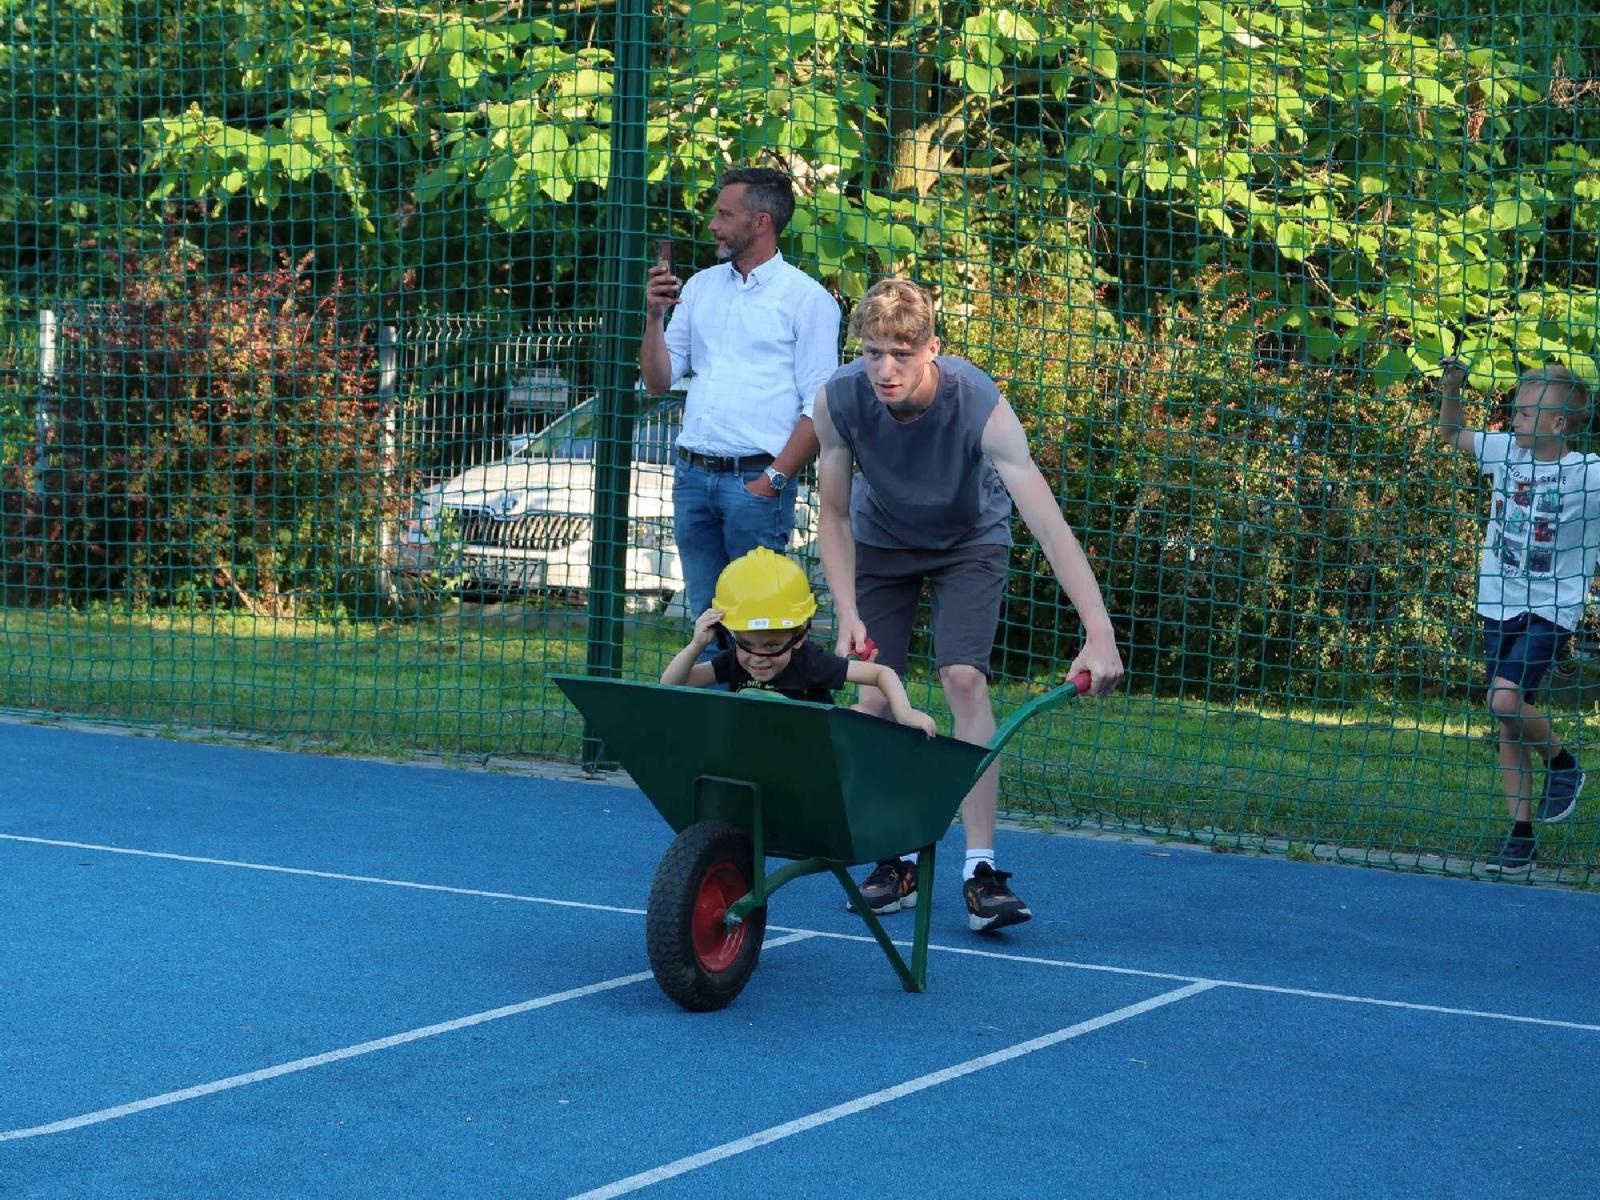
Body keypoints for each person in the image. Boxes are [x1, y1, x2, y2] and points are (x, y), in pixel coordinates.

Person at [813, 279, 1124, 933]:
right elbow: (834, 516)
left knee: (962, 678)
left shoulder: (978, 403)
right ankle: (894, 860)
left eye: (901, 353)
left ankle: (980, 870)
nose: (885, 369)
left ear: (933, 348)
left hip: (968, 542)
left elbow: (1047, 523)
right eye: (873, 353)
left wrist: (1099, 631)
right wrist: (846, 612)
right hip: (881, 544)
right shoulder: (838, 399)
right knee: (873, 696)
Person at [640, 167, 842, 630]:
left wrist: (773, 479)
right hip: (693, 478)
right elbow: (658, 380)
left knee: (759, 624)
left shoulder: (808, 301)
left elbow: (820, 406)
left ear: (761, 223)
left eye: (725, 215)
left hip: (756, 482)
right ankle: (713, 703)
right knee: (705, 621)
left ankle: (759, 700)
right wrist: (653, 317)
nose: (713, 225)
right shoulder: (700, 287)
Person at [1438, 357, 1597, 873]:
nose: (1515, 421)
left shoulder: (1587, 475)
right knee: (1508, 716)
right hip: (1497, 601)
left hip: (1551, 607)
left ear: (1557, 424)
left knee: (1504, 699)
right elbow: (1451, 433)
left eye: (1527, 414)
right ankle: (1521, 835)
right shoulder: (1504, 452)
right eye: (1515, 411)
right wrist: (1451, 388)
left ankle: (1564, 764)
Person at [660, 547, 937, 736]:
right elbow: (670, 685)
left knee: (859, 714)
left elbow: (881, 673)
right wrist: (697, 645)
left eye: (771, 646)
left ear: (799, 637)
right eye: (746, 644)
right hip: (754, 753)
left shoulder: (811, 663)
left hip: (813, 755)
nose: (758, 657)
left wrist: (905, 713)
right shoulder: (736, 661)